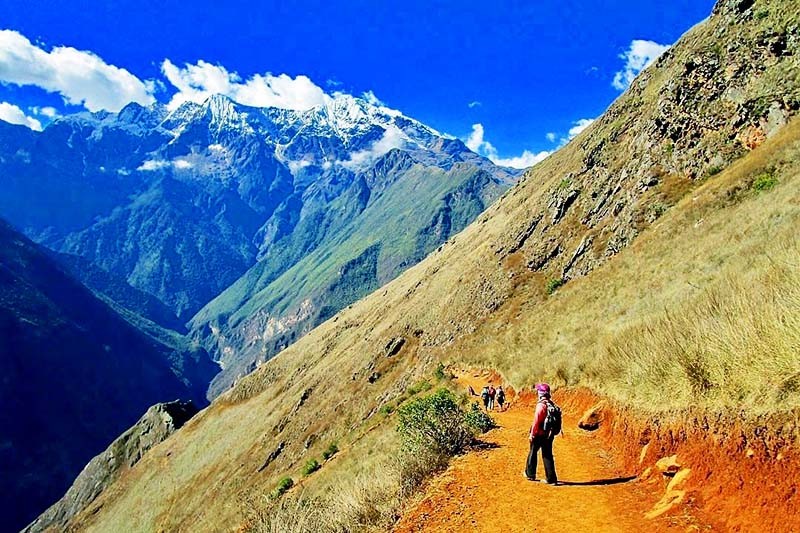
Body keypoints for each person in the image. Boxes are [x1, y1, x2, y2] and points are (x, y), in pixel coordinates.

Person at [524, 383, 558, 484]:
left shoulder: (541, 405)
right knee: (547, 455)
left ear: (540, 393)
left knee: (533, 452)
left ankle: (530, 474)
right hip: (549, 434)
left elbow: (536, 421)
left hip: (539, 434)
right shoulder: (551, 404)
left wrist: (532, 434)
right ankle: (551, 479)